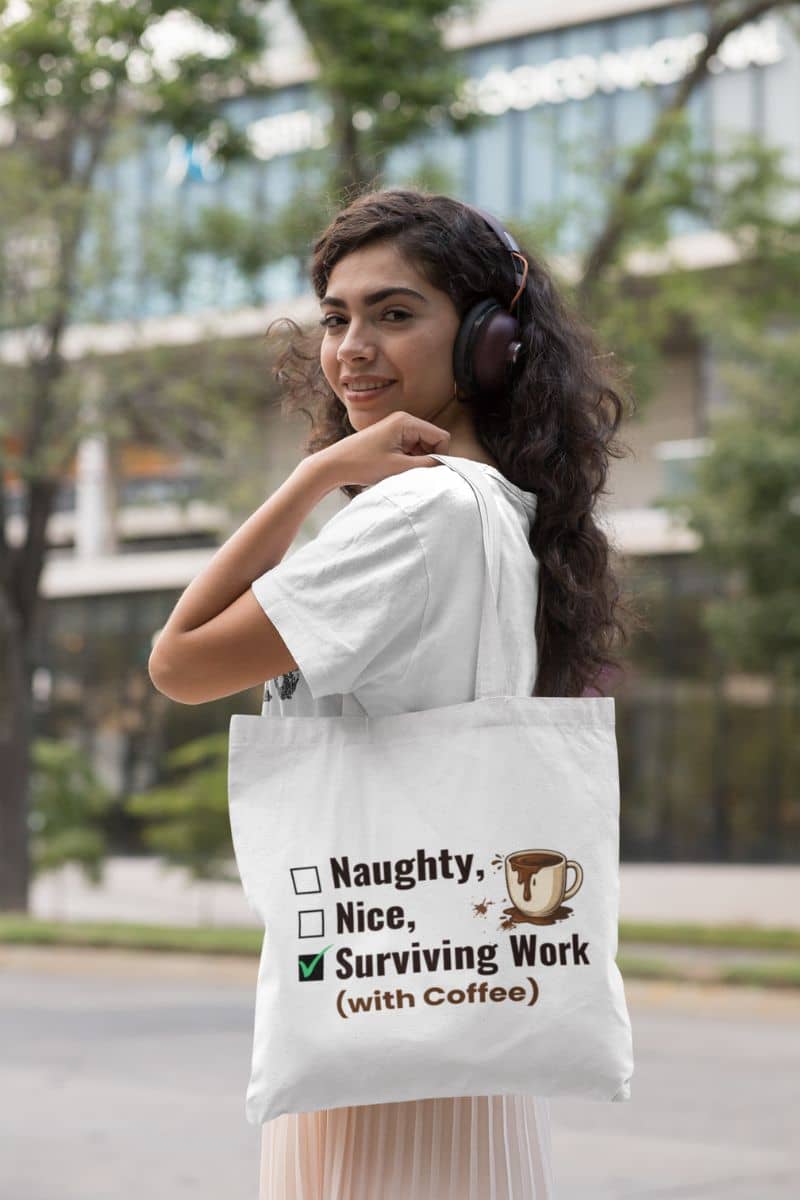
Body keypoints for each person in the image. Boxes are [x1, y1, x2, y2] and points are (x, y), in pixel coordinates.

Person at [149, 187, 637, 1197]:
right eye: (335, 317)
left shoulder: (416, 513)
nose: (351, 348)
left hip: (382, 1023)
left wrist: (311, 477)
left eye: (395, 313)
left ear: (488, 341)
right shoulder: (494, 504)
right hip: (451, 1003)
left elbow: (181, 658)